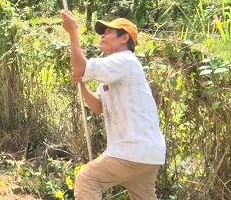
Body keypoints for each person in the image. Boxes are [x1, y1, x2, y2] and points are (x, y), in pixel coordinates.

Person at [60, 10, 166, 200]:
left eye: (108, 32)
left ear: (124, 38)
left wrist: (73, 32)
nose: (103, 35)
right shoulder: (118, 68)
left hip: (132, 149)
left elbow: (80, 67)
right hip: (148, 153)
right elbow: (99, 107)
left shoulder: (124, 60)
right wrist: (82, 84)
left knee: (87, 179)